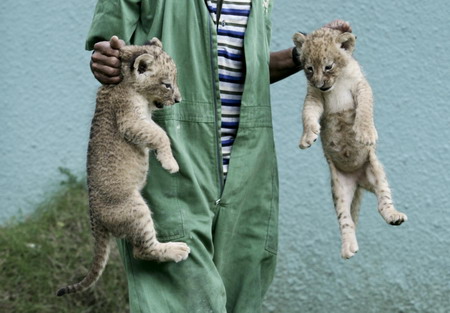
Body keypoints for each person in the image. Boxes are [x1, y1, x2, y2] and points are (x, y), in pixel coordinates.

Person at [86, 1, 351, 312]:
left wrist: (306, 52)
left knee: (242, 296)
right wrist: (105, 57)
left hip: (248, 167)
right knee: (181, 297)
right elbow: (112, 50)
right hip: (173, 163)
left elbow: (242, 70)